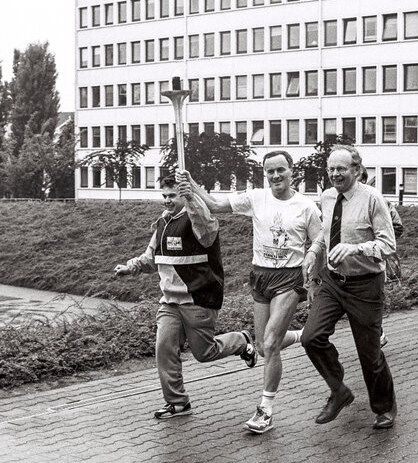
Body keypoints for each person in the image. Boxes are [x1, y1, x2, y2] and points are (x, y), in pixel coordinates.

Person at [177, 150, 321, 434]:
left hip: (290, 277)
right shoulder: (256, 198)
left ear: (291, 171)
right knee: (267, 344)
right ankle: (303, 335)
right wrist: (191, 185)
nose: (276, 176)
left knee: (269, 340)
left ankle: (265, 411)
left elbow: (319, 238)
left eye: (281, 170)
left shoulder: (306, 206)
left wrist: (313, 263)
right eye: (270, 171)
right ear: (265, 174)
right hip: (260, 275)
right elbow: (215, 205)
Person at [114, 176, 256, 419]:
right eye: (165, 196)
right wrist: (132, 267)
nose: (168, 200)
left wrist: (191, 196)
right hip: (169, 301)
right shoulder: (162, 222)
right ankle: (178, 402)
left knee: (205, 353)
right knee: (164, 348)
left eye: (173, 195)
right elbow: (152, 257)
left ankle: (241, 341)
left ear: (182, 195)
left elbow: (207, 229)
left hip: (198, 298)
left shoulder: (198, 219)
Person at [302, 145, 398, 430]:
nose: (334, 174)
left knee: (369, 355)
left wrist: (355, 249)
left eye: (341, 168)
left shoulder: (372, 199)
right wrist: (313, 251)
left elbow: (388, 245)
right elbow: (324, 232)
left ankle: (383, 408)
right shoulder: (327, 196)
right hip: (333, 282)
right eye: (331, 168)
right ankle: (338, 389)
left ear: (356, 170)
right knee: (311, 338)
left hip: (365, 286)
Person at [359, 165, 403, 347]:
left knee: (372, 298)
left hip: (373, 261)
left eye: (360, 179)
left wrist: (375, 243)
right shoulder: (336, 201)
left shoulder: (379, 201)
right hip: (346, 264)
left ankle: (377, 334)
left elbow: (397, 228)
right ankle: (375, 334)